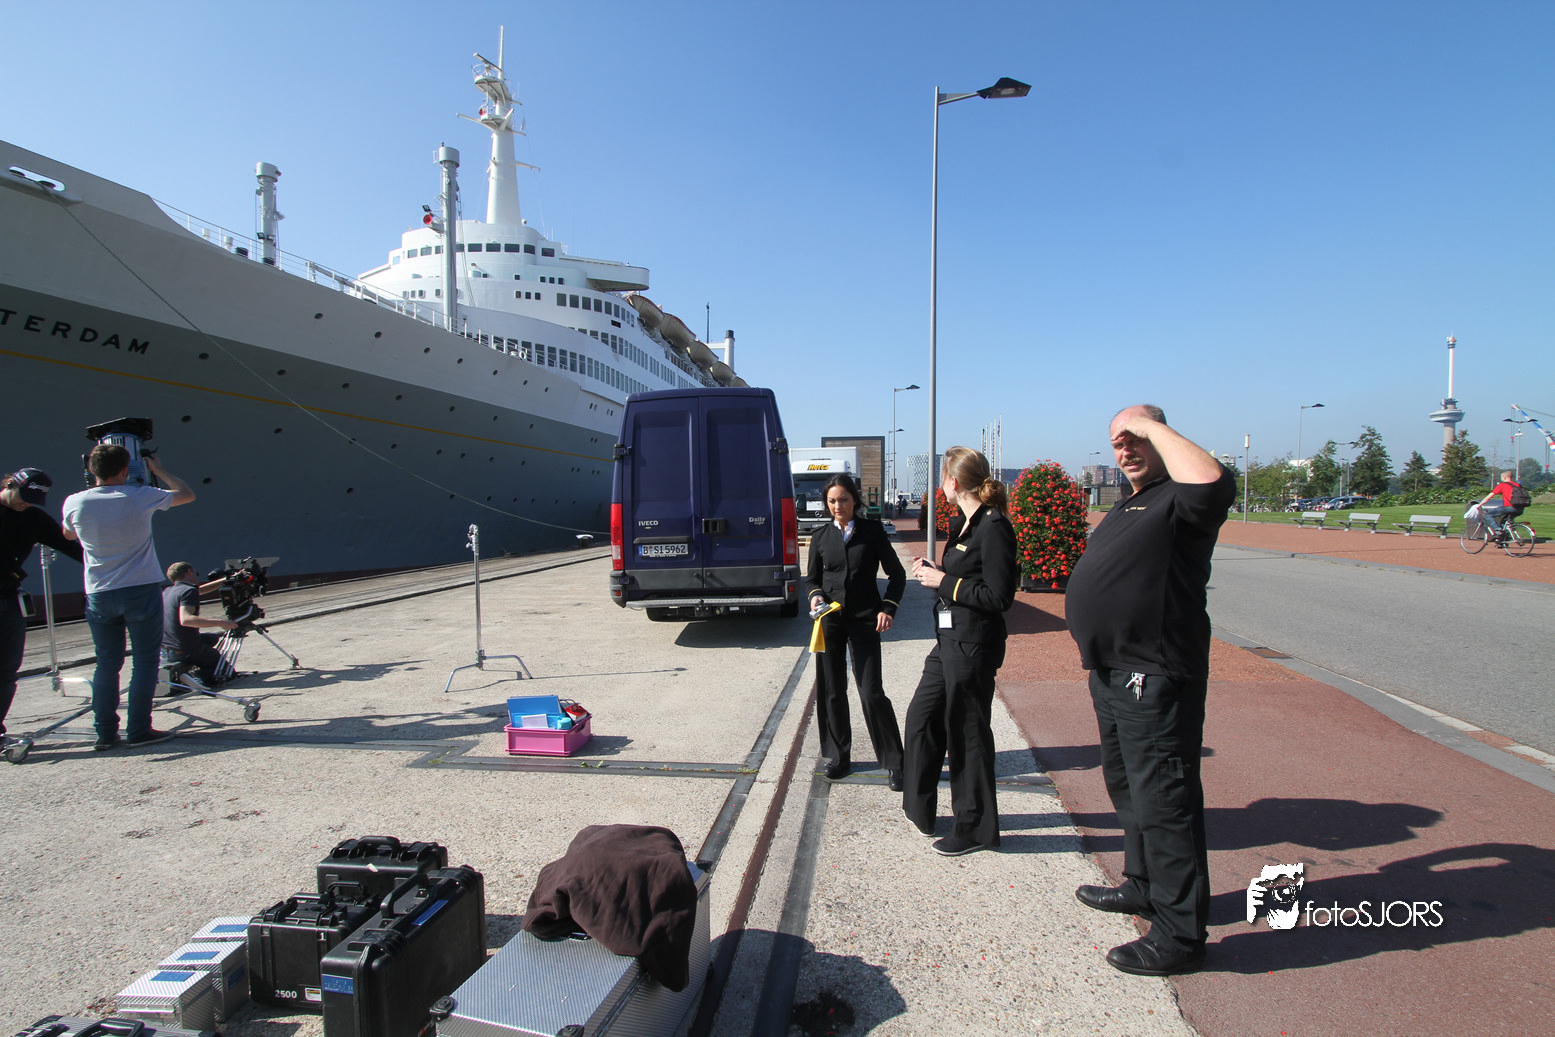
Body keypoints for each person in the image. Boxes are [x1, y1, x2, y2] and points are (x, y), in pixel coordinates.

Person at [1064, 404, 1235, 977]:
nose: (1125, 448)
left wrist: (1152, 426)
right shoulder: (1131, 501)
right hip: (1112, 671)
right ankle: (1142, 884)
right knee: (1128, 788)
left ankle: (1180, 934)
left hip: (1154, 672)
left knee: (1164, 800)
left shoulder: (1182, 497)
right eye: (1117, 441)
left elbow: (1214, 484)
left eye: (1135, 438)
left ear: (1162, 437)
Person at [901, 447, 1018, 856]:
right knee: (921, 717)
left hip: (974, 645)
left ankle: (974, 828)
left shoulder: (993, 526)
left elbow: (1000, 596)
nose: (940, 486)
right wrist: (938, 571)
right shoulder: (964, 523)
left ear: (953, 481)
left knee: (967, 735)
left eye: (942, 478)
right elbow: (967, 575)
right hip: (949, 640)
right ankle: (921, 808)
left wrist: (944, 583)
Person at [62, 446, 197, 750]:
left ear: (91, 470)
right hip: (140, 589)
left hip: (99, 592)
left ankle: (105, 733)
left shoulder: (74, 501)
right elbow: (186, 494)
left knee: (107, 663)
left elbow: (68, 534)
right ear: (126, 470)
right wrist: (158, 469)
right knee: (145, 661)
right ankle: (138, 730)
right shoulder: (141, 495)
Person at [805, 472, 908, 788]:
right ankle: (839, 756)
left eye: (843, 500)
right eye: (832, 501)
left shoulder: (872, 532)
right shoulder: (820, 537)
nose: (838, 506)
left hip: (865, 619)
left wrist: (888, 607)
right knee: (832, 689)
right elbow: (812, 580)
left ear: (855, 500)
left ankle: (895, 762)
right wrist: (816, 596)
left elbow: (897, 575)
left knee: (871, 691)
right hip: (830, 621)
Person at [1, 468, 84, 747]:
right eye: (23, 496)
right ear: (10, 484)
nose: (26, 503)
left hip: (8, 598)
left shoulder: (33, 518)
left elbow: (70, 547)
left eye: (33, 500)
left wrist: (105, 565)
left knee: (7, 670)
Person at [162, 561, 238, 689]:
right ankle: (194, 677)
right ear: (189, 572)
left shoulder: (168, 591)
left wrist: (228, 579)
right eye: (196, 573)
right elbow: (186, 620)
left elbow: (200, 590)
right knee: (227, 672)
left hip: (169, 648)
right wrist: (221, 623)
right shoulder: (188, 591)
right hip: (187, 648)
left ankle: (192, 669)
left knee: (213, 638)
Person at [1476, 471, 1525, 539]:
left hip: (1509, 507)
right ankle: (1502, 540)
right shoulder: (1518, 485)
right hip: (1520, 508)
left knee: (1488, 515)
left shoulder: (1502, 485)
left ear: (1504, 477)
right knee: (1504, 522)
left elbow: (1488, 497)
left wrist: (1479, 504)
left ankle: (1498, 530)